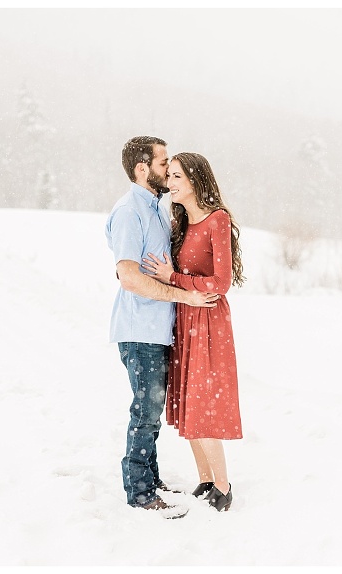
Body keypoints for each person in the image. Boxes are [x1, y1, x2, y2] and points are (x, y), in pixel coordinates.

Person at [106, 136, 220, 519]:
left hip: (158, 329)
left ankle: (149, 480)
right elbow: (128, 276)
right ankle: (139, 492)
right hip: (140, 331)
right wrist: (186, 297)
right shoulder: (129, 212)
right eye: (162, 163)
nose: (168, 170)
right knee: (145, 411)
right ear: (142, 169)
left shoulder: (156, 208)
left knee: (152, 411)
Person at [143, 152, 245, 513]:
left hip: (208, 321)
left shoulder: (217, 220)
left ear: (196, 181)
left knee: (203, 405)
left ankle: (223, 486)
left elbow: (220, 283)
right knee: (189, 404)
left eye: (177, 178)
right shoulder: (181, 222)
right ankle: (204, 480)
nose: (170, 183)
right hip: (185, 318)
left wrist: (173, 279)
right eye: (169, 176)